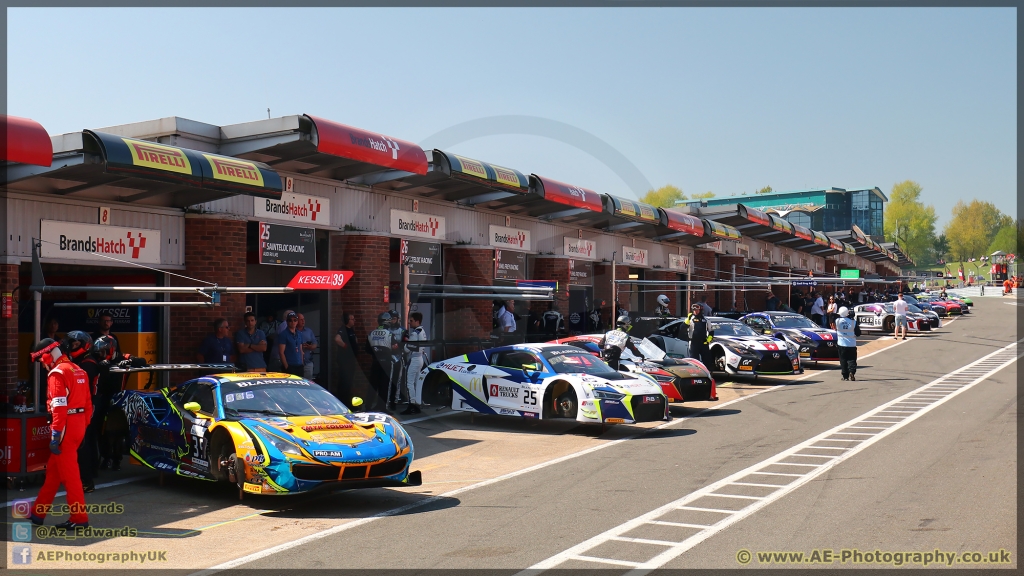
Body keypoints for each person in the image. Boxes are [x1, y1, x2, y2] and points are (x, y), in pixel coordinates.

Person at [28, 332, 93, 529]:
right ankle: (37, 514)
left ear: (48, 354)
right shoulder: (78, 370)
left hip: (64, 427)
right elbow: (89, 405)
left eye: (41, 359)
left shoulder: (57, 373)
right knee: (54, 474)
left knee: (71, 476)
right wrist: (82, 427)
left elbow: (58, 406)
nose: (41, 363)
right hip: (78, 424)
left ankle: (79, 518)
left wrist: (56, 433)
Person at [367, 312, 398, 411]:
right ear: (387, 322)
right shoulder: (389, 334)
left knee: (373, 386)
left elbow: (366, 349)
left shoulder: (371, 333)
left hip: (375, 362)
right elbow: (395, 348)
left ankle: (368, 406)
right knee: (384, 386)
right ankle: (382, 407)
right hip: (386, 363)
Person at [401, 312, 428, 415]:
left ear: (417, 321)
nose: (409, 322)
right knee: (416, 383)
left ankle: (411, 404)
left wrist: (405, 343)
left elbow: (407, 348)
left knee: (409, 382)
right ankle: (416, 404)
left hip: (414, 359)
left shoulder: (414, 333)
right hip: (420, 358)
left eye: (411, 320)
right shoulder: (422, 331)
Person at [333, 312, 359, 406]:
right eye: (352, 319)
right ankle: (342, 402)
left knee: (349, 382)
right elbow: (337, 339)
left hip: (351, 360)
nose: (354, 320)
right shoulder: (342, 330)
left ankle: (348, 401)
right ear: (347, 320)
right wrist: (345, 346)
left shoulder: (351, 330)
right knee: (344, 381)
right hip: (345, 361)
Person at [680, 302, 714, 368]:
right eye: (694, 310)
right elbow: (682, 328)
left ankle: (708, 374)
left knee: (707, 361)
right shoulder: (690, 319)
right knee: (694, 361)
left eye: (697, 310)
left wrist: (708, 340)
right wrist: (688, 319)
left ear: (701, 310)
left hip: (704, 343)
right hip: (693, 343)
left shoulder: (706, 320)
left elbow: (711, 332)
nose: (695, 311)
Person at [277, 312, 305, 377]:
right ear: (287, 322)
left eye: (295, 320)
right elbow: (281, 352)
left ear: (297, 322)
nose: (293, 322)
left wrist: (302, 363)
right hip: (290, 365)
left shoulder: (300, 334)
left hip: (299, 366)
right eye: (290, 320)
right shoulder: (283, 334)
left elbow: (301, 350)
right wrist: (287, 367)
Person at [835, 307, 858, 381]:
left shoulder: (837, 321)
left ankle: (845, 376)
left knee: (843, 360)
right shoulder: (853, 322)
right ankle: (852, 372)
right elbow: (858, 333)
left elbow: (833, 317)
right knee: (852, 359)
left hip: (841, 344)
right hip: (851, 344)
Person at [297, 313, 318, 380]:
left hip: (308, 362)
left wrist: (310, 347)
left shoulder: (309, 331)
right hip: (296, 363)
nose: (303, 321)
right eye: (301, 319)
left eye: (304, 319)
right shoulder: (293, 331)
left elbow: (315, 343)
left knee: (308, 384)